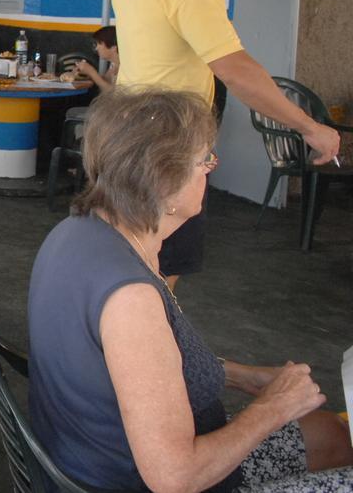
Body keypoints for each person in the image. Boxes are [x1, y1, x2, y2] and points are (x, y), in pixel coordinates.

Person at [28, 88, 353, 493]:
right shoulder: (130, 298)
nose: (209, 170)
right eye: (204, 160)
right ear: (164, 183)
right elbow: (175, 477)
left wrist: (239, 376)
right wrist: (275, 406)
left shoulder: (76, 232)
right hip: (154, 479)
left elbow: (136, 365)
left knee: (328, 434)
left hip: (90, 460)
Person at [92, 0, 339, 286]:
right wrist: (309, 127)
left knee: (128, 245)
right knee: (162, 265)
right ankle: (149, 343)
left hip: (126, 131)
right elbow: (235, 70)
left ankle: (112, 337)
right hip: (169, 142)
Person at [74, 25, 120, 91]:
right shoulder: (114, 64)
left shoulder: (123, 66)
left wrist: (92, 72)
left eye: (100, 44)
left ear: (113, 48)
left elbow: (112, 93)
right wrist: (86, 73)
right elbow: (105, 82)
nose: (96, 48)